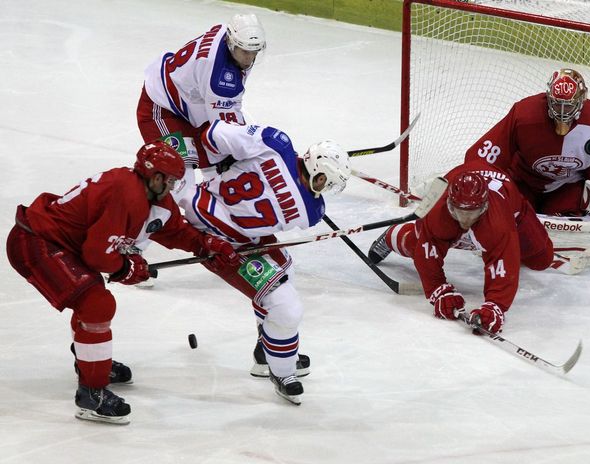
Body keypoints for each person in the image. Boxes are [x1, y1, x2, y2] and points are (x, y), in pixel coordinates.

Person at [5, 142, 241, 425]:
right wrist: (126, 268)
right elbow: (97, 256)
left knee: (92, 301)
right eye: (171, 180)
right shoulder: (125, 192)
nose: (174, 186)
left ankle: (92, 363)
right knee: (96, 303)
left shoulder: (153, 198)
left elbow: (173, 230)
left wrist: (206, 246)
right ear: (156, 178)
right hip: (36, 243)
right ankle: (91, 395)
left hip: (60, 245)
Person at [174, 120, 351, 404]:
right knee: (286, 308)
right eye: (325, 181)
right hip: (215, 239)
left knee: (285, 271)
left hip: (211, 213)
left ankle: (265, 350)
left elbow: (212, 134)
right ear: (318, 169)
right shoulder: (312, 211)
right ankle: (281, 372)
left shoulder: (275, 143)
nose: (324, 188)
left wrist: (223, 161)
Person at [463, 68, 590, 258]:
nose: (562, 112)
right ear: (548, 98)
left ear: (581, 101)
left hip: (566, 187)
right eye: (557, 104)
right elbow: (487, 153)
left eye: (568, 106)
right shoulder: (524, 115)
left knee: (582, 211)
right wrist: (474, 184)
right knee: (504, 205)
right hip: (524, 183)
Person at [367, 160, 554, 334]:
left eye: (472, 213)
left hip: (513, 208)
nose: (466, 220)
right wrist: (438, 290)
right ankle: (392, 236)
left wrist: (495, 305)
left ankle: (485, 242)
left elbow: (504, 262)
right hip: (462, 203)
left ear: (484, 206)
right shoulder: (439, 209)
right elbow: (427, 254)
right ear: (450, 203)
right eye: (460, 212)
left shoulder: (499, 221)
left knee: (542, 258)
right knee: (417, 242)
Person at [137, 13, 266, 173]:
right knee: (177, 173)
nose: (250, 58)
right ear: (231, 43)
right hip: (161, 109)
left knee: (216, 160)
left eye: (254, 51)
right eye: (245, 52)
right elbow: (225, 129)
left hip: (191, 104)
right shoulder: (220, 78)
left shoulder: (227, 34)